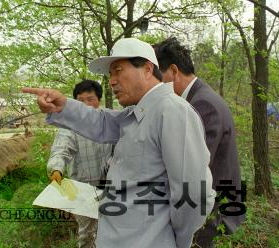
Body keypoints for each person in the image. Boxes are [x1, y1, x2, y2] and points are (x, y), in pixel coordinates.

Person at [23, 38, 215, 248]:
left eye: (118, 70)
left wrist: (178, 240)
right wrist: (63, 106)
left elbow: (194, 194)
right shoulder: (138, 112)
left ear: (147, 69)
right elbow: (101, 122)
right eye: (110, 74)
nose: (112, 81)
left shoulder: (172, 112)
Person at [154, 37, 245, 247]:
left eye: (159, 78)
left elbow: (191, 169)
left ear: (174, 71)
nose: (157, 87)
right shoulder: (198, 98)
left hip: (212, 215)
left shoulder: (202, 104)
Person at [47, 80, 112, 248]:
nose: (86, 104)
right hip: (83, 188)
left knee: (111, 230)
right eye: (81, 100)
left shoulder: (109, 120)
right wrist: (56, 168)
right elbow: (61, 149)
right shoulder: (70, 126)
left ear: (99, 100)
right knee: (86, 233)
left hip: (111, 188)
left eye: (90, 99)